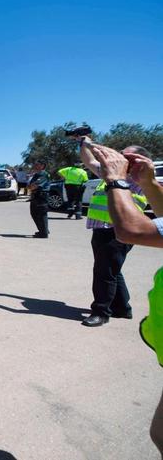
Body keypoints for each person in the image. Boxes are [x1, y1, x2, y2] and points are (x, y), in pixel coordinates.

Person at [87, 142, 163, 454]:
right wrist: (147, 181)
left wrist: (118, 180)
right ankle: (121, 307)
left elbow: (131, 228)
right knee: (159, 434)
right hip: (105, 228)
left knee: (107, 274)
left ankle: (105, 310)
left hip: (115, 231)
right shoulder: (141, 181)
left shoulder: (119, 182)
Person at [75, 136, 149, 327]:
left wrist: (92, 143)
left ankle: (101, 312)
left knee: (104, 272)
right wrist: (83, 145)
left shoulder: (139, 178)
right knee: (112, 270)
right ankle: (122, 308)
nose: (121, 158)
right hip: (101, 228)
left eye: (127, 156)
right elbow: (89, 161)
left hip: (120, 230)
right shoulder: (111, 173)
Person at [27, 159, 50, 238]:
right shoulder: (36, 175)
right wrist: (31, 187)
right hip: (35, 196)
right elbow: (29, 186)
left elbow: (34, 186)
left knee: (42, 214)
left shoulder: (44, 174)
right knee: (34, 213)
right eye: (35, 164)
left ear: (42, 166)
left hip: (41, 196)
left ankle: (44, 233)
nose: (35, 166)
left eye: (37, 164)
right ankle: (43, 230)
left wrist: (31, 187)